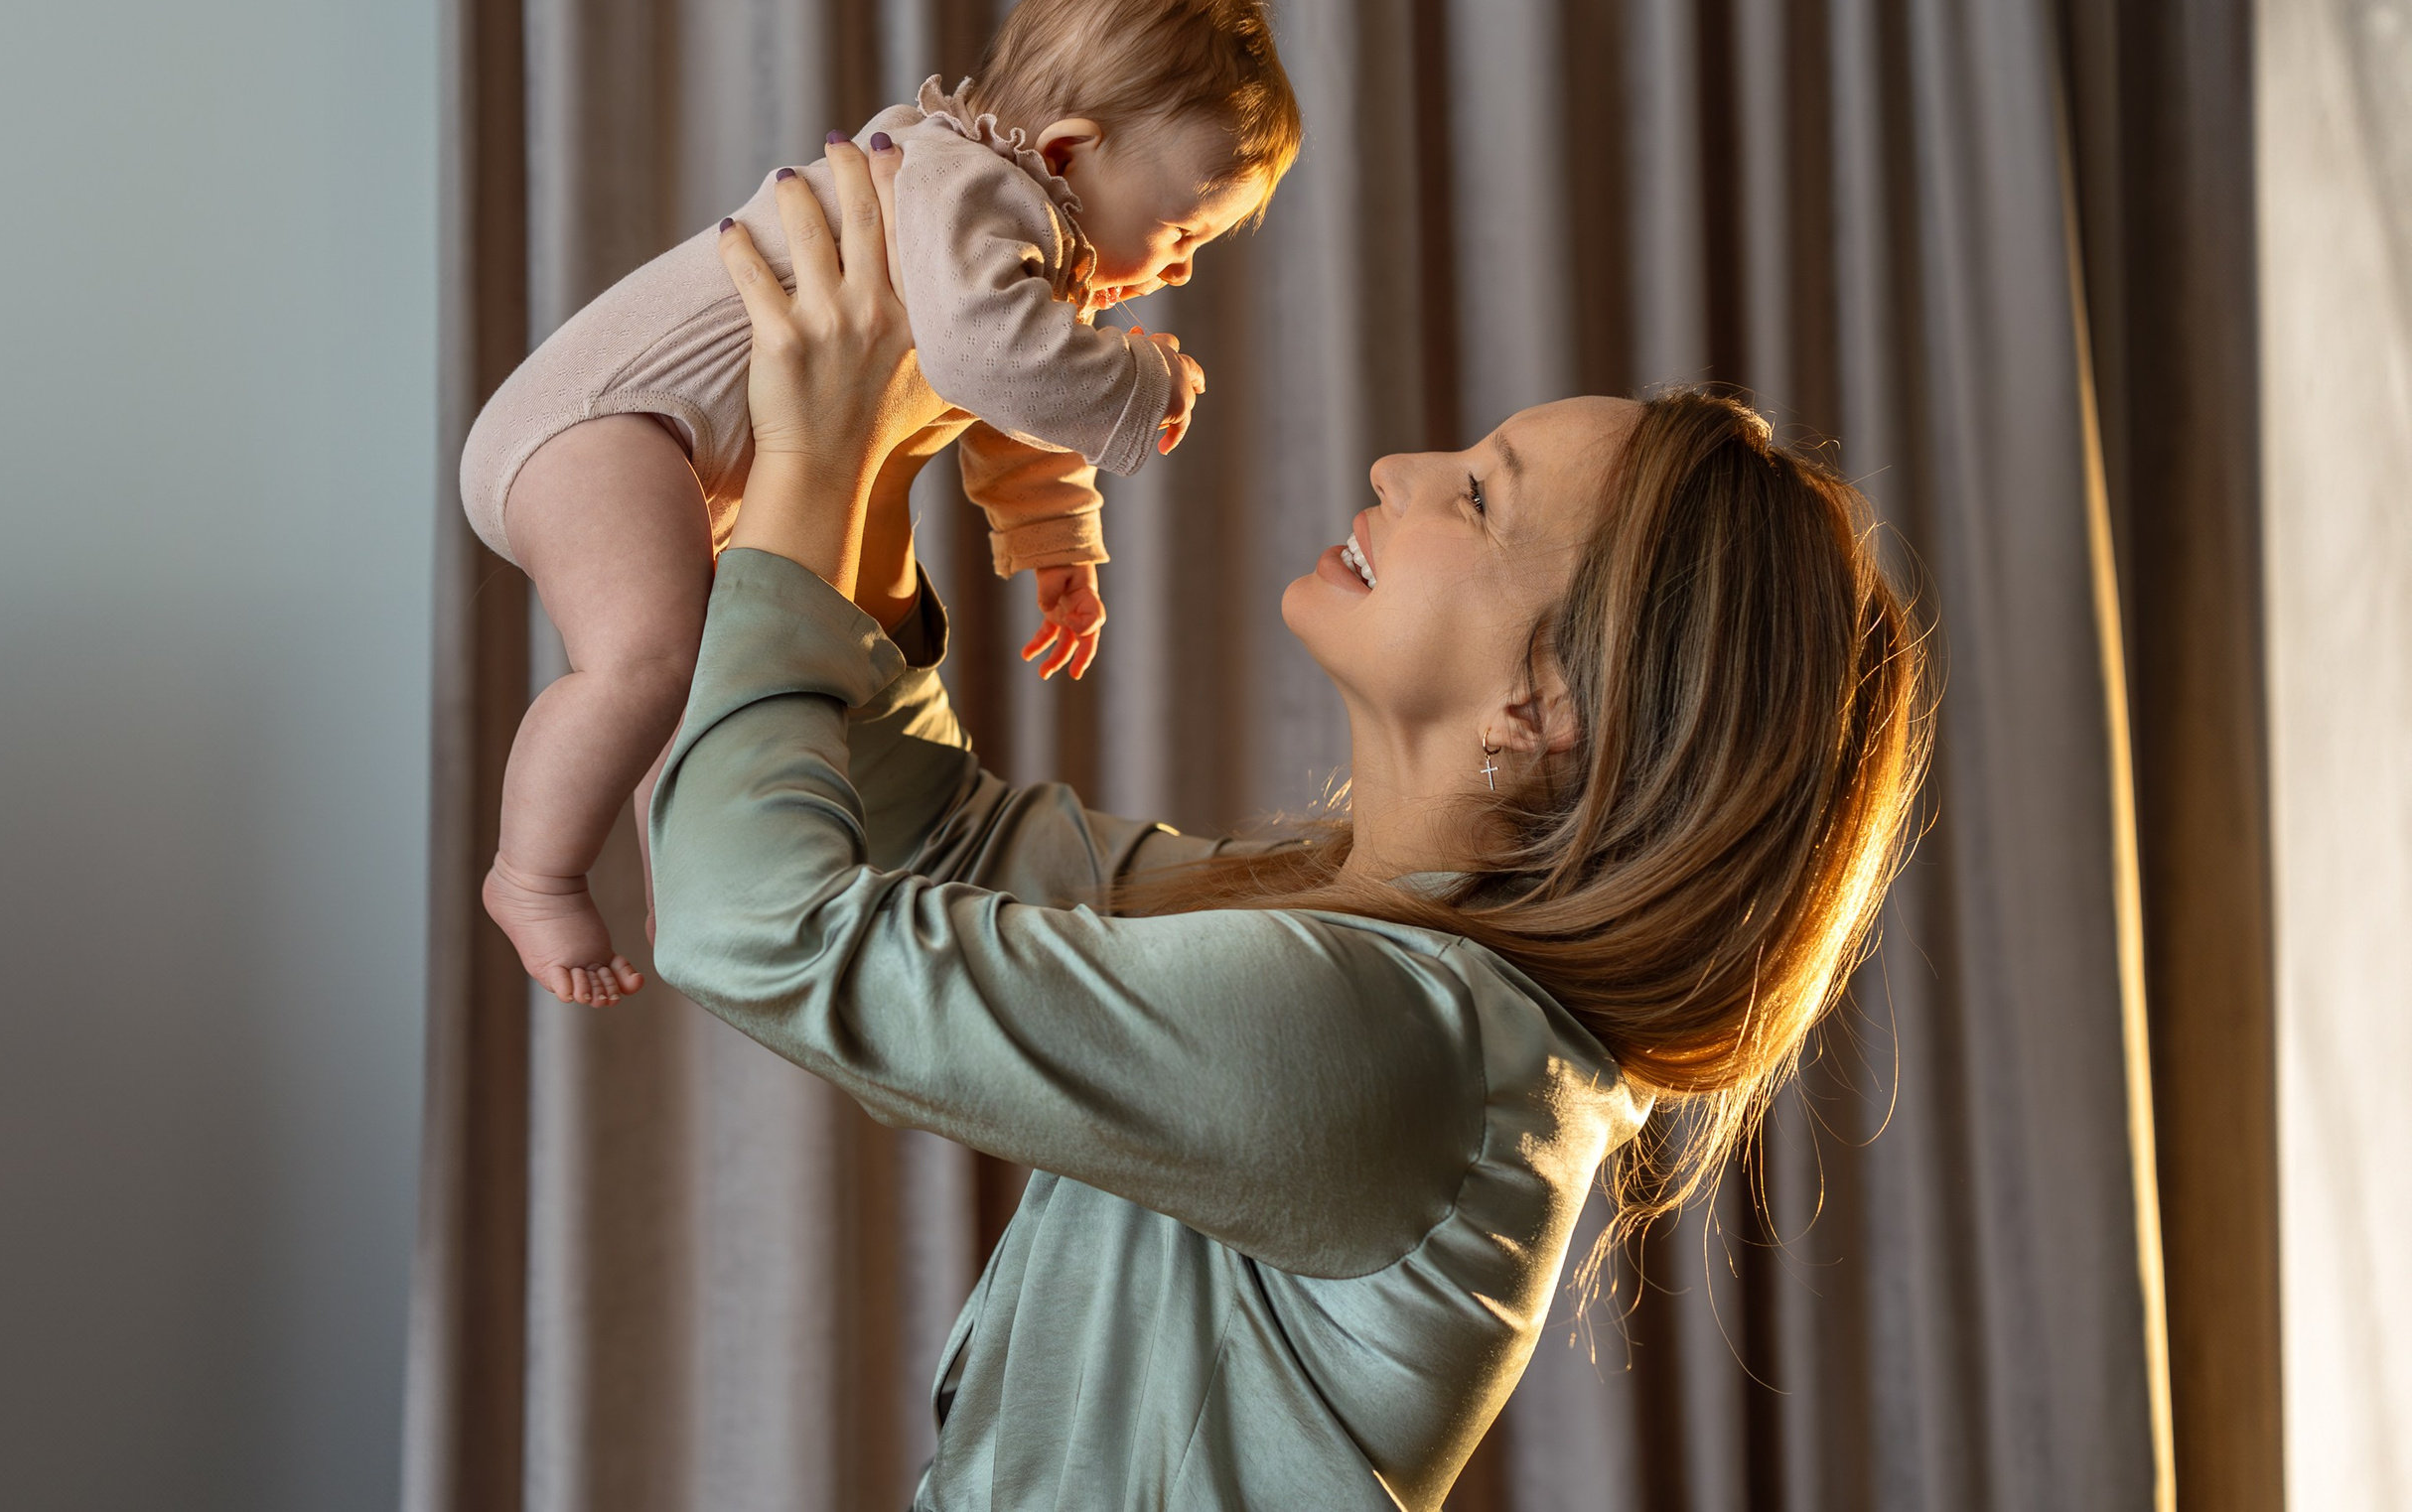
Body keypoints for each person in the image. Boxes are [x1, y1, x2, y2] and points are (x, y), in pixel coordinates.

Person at [653, 140, 1930, 1509]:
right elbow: (945, 844)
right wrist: (876, 473)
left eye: (1481, 494)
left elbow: (757, 927)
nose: (1399, 464)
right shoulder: (1353, 953)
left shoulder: (1388, 1041)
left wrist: (805, 456)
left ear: (1540, 701)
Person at [462, 0, 1301, 1006]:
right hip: (602, 429)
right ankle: (534, 873)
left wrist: (1058, 540)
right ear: (1066, 152)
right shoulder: (972, 187)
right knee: (649, 660)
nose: (1184, 267)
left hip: (660, 451)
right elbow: (989, 361)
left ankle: (694, 880)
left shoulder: (1009, 240)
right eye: (1183, 229)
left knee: (717, 677)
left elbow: (1007, 402)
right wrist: (1142, 384)